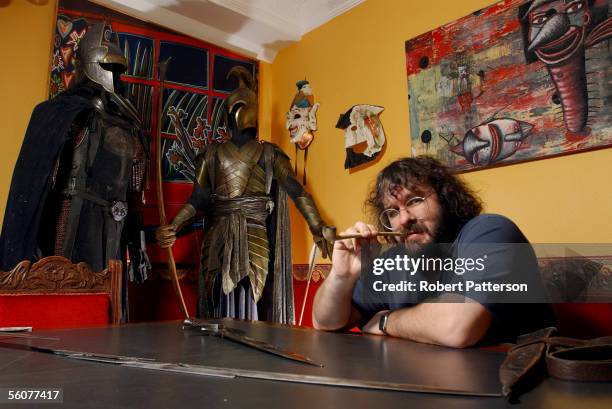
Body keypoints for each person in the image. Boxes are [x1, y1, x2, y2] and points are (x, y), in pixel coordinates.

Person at [312, 156, 555, 347]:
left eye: (415, 200)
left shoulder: (491, 232)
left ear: (445, 198)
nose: (404, 219)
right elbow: (326, 321)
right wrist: (340, 276)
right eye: (392, 212)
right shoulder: (395, 261)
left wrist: (387, 321)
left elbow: (458, 328)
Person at [156, 66, 333, 324]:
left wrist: (318, 225)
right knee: (218, 299)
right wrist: (173, 226)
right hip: (219, 236)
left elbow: (296, 190)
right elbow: (199, 200)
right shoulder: (211, 154)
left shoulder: (270, 154)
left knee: (254, 298)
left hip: (254, 234)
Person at [0, 23, 148, 284]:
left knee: (107, 303)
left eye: (118, 69)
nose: (114, 76)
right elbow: (40, 182)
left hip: (113, 231)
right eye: (108, 67)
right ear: (89, 65)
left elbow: (134, 195)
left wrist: (138, 246)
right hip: (70, 222)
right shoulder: (62, 113)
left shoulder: (127, 125)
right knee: (66, 296)